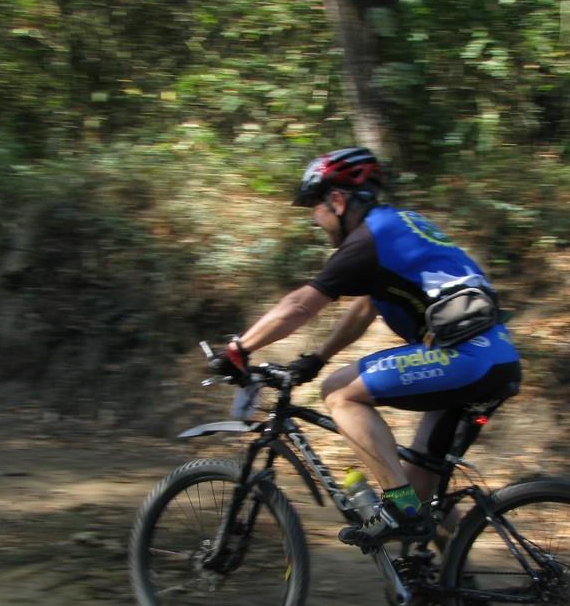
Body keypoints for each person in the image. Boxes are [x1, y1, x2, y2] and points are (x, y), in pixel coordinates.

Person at [211, 147, 521, 546]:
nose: (315, 219)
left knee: (339, 393)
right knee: (421, 487)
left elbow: (300, 305)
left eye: (315, 207)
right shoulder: (400, 227)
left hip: (465, 356)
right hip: (494, 357)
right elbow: (365, 307)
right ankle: (457, 582)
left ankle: (399, 508)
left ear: (337, 200)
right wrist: (317, 357)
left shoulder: (368, 240)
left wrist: (239, 349)